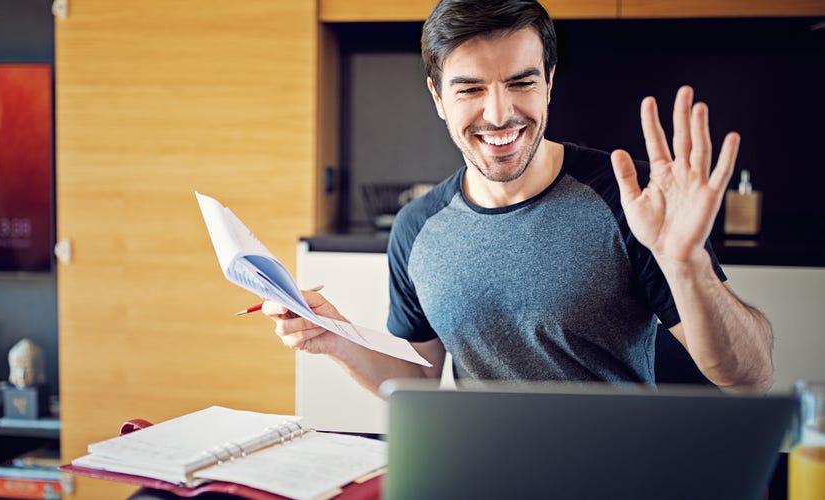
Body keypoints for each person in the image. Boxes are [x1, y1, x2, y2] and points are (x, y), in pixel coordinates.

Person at [263, 0, 774, 394]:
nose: (499, 113)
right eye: (470, 90)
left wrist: (687, 266)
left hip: (617, 476)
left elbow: (749, 377)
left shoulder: (629, 200)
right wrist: (334, 335)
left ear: (549, 83)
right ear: (439, 98)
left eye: (521, 82)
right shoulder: (417, 226)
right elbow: (417, 380)